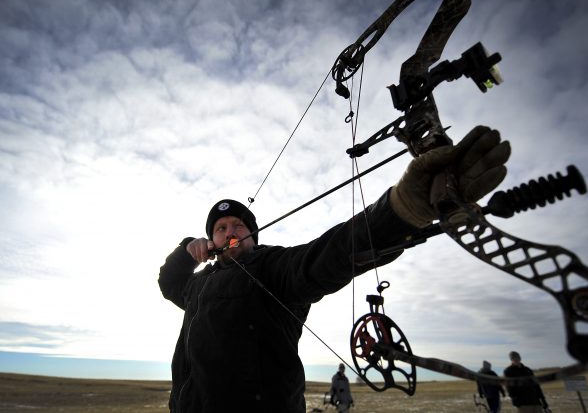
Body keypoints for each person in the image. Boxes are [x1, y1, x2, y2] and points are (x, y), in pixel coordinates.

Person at [158, 125, 511, 412]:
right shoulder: (196, 285)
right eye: (220, 229)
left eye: (237, 225)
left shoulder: (271, 265)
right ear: (212, 241)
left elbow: (325, 257)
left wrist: (402, 210)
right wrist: (186, 251)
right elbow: (168, 283)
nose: (229, 231)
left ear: (252, 234)